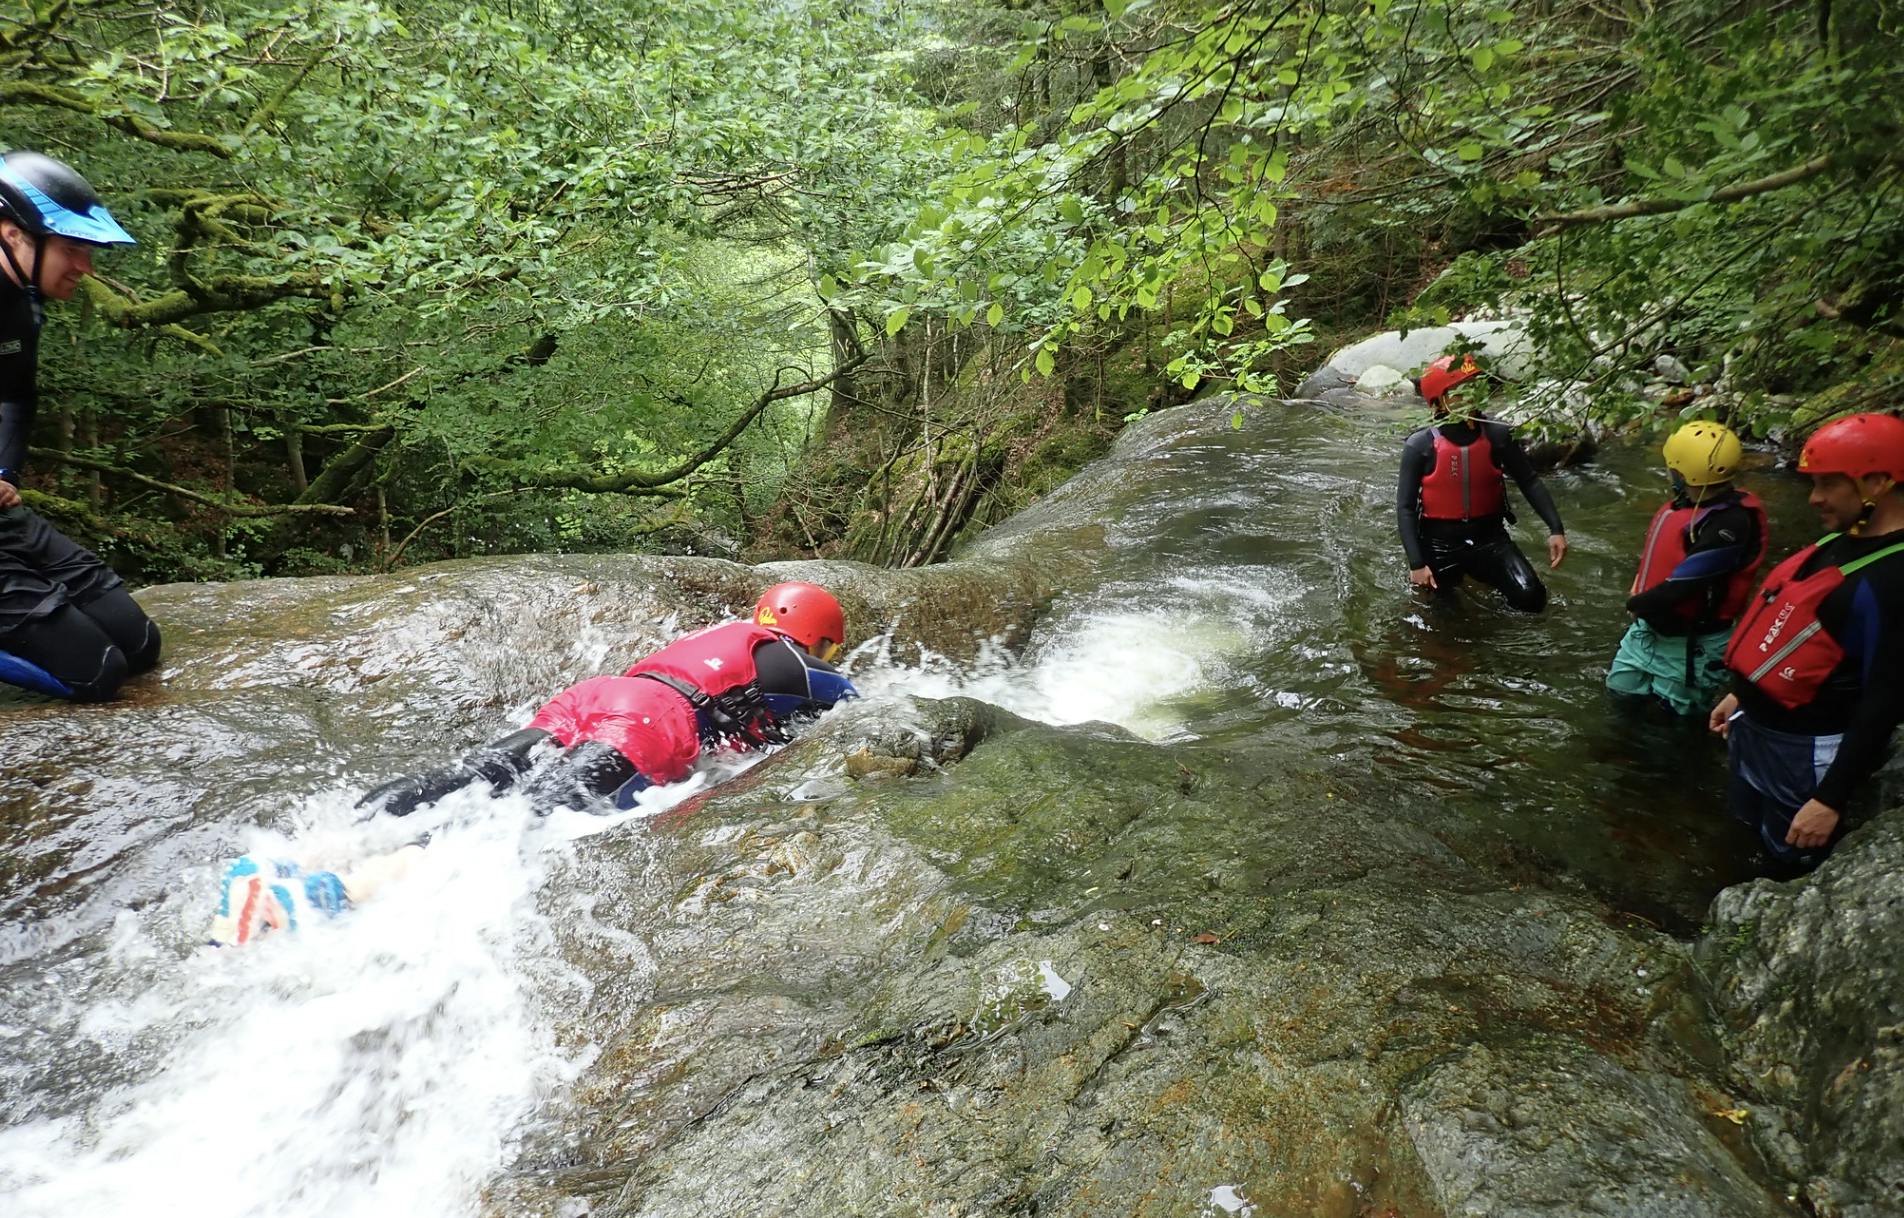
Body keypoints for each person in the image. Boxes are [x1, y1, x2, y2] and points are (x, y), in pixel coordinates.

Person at [208, 582, 858, 945]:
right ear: (816, 633)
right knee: (523, 823)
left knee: (474, 777)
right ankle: (326, 896)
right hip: (652, 722)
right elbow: (857, 705)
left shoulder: (715, 637)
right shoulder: (790, 659)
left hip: (596, 696)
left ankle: (301, 854)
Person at [1709, 413, 1904, 873]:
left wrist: (1829, 799)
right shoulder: (1842, 542)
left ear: (1876, 482)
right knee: (1740, 839)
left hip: (1807, 754)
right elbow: (1800, 634)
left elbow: (1886, 698)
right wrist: (1742, 693)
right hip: (1754, 729)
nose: (1814, 499)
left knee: (1787, 860)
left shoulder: (1894, 579)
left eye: (1827, 485)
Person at [0, 149, 159, 700]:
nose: (86, 269)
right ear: (10, 234)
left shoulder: (20, 304)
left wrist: (5, 476)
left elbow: (15, 398)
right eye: (72, 249)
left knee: (139, 646)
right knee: (97, 674)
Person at [1607, 421, 1768, 715]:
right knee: (1621, 694)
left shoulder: (1731, 523)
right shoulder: (1687, 504)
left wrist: (1636, 603)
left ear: (1682, 471)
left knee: (1671, 724)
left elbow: (1685, 586)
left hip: (1693, 643)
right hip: (1649, 629)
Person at [1396, 353, 1568, 612]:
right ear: (1439, 400)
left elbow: (1529, 480)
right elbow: (1405, 507)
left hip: (1491, 539)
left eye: (1473, 386)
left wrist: (1556, 528)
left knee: (1531, 599)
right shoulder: (1420, 446)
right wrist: (1417, 564)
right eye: (1458, 391)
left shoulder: (1497, 434)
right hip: (1438, 543)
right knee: (1444, 615)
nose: (1469, 396)